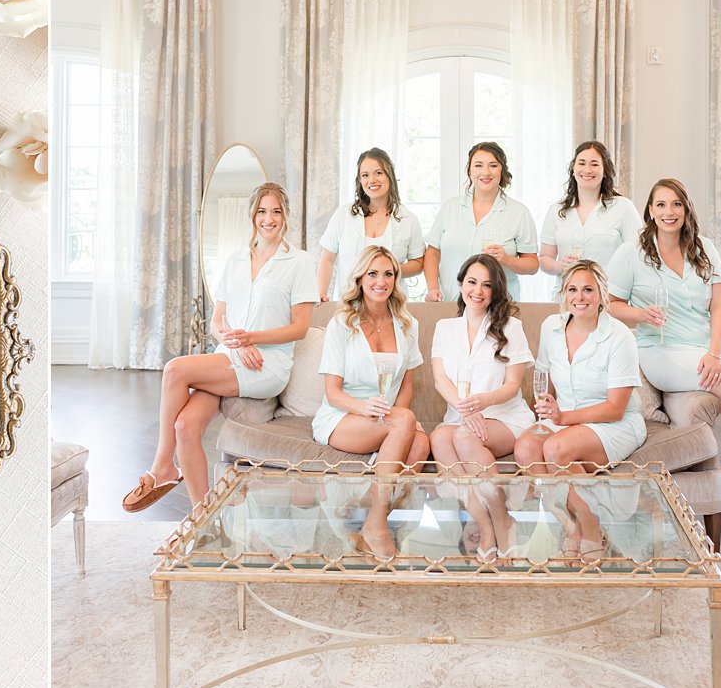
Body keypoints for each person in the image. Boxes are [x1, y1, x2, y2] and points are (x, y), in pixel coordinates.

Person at [606, 178, 721, 543]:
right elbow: (609, 303)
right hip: (664, 351)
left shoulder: (704, 248)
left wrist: (716, 352)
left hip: (706, 346)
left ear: (686, 210)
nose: (668, 212)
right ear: (650, 211)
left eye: (676, 205)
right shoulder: (631, 253)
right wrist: (640, 315)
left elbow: (720, 304)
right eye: (660, 205)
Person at [122, 182, 317, 513]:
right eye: (262, 211)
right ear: (252, 215)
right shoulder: (236, 260)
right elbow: (218, 321)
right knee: (185, 427)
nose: (268, 219)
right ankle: (203, 521)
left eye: (276, 211)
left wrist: (250, 339)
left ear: (286, 216)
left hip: (266, 367)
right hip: (231, 356)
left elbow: (299, 328)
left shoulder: (298, 262)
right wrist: (235, 342)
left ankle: (162, 467)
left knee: (174, 370)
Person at [514, 260, 647, 560]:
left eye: (588, 289)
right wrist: (547, 409)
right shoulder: (552, 327)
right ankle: (569, 525)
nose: (580, 297)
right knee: (524, 448)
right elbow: (543, 377)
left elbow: (615, 408)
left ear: (602, 293)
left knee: (557, 449)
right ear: (563, 293)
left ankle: (592, 528)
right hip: (565, 419)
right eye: (572, 289)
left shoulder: (619, 336)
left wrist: (563, 418)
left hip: (614, 423)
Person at [312, 246, 429, 560]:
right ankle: (376, 525)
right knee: (405, 424)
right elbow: (332, 393)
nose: (382, 281)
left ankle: (371, 517)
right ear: (360, 278)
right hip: (343, 415)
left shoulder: (407, 324)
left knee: (420, 444)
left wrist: (400, 415)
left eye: (388, 274)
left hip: (387, 418)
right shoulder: (342, 323)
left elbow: (407, 384)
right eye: (373, 274)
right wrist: (368, 410)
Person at [428, 255, 536, 561]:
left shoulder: (511, 327)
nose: (478, 291)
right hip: (460, 414)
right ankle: (484, 523)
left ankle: (500, 519)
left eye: (487, 285)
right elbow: (440, 380)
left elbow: (512, 385)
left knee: (463, 437)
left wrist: (482, 403)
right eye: (472, 282)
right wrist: (467, 410)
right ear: (461, 284)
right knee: (439, 438)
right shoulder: (444, 327)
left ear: (495, 290)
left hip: (504, 415)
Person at [424, 141, 539, 302]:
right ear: (469, 171)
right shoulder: (450, 207)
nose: (486, 172)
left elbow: (533, 265)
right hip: (451, 301)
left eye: (493, 165)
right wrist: (433, 288)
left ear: (502, 170)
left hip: (500, 307)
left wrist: (507, 260)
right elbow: (432, 252)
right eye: (478, 165)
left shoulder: (518, 212)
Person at [316, 147, 426, 301]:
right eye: (365, 175)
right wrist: (321, 293)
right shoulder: (343, 215)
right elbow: (327, 258)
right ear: (360, 181)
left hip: (392, 305)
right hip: (348, 304)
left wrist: (389, 271)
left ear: (390, 176)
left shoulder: (408, 219)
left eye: (379, 173)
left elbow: (418, 263)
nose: (372, 180)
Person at [539, 141, 643, 275]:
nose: (587, 170)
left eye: (594, 164)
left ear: (605, 171)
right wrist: (560, 266)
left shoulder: (624, 207)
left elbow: (638, 255)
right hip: (566, 293)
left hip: (608, 293)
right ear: (573, 170)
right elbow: (544, 259)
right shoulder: (556, 210)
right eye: (581, 163)